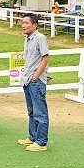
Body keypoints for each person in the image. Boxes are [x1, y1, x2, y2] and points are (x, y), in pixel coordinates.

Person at [17, 13, 50, 152]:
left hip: (35, 80)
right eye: (22, 23)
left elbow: (45, 58)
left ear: (34, 25)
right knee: (31, 111)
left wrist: (36, 75)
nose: (23, 25)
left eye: (26, 23)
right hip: (27, 79)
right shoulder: (27, 39)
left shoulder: (40, 38)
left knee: (40, 112)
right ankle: (33, 137)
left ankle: (41, 142)